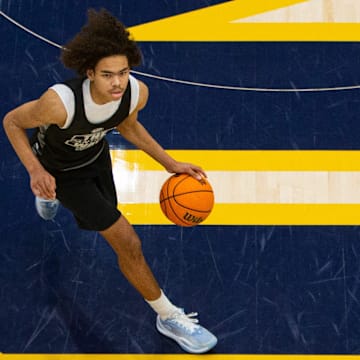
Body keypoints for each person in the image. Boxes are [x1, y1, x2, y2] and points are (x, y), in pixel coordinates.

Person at [3, 8, 217, 354]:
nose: (117, 83)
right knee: (127, 242)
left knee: (103, 219)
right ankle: (168, 316)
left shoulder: (135, 93)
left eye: (122, 72)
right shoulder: (58, 104)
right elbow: (12, 122)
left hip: (95, 161)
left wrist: (170, 164)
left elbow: (128, 125)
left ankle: (49, 195)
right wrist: (36, 171)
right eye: (107, 75)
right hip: (61, 172)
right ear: (89, 73)